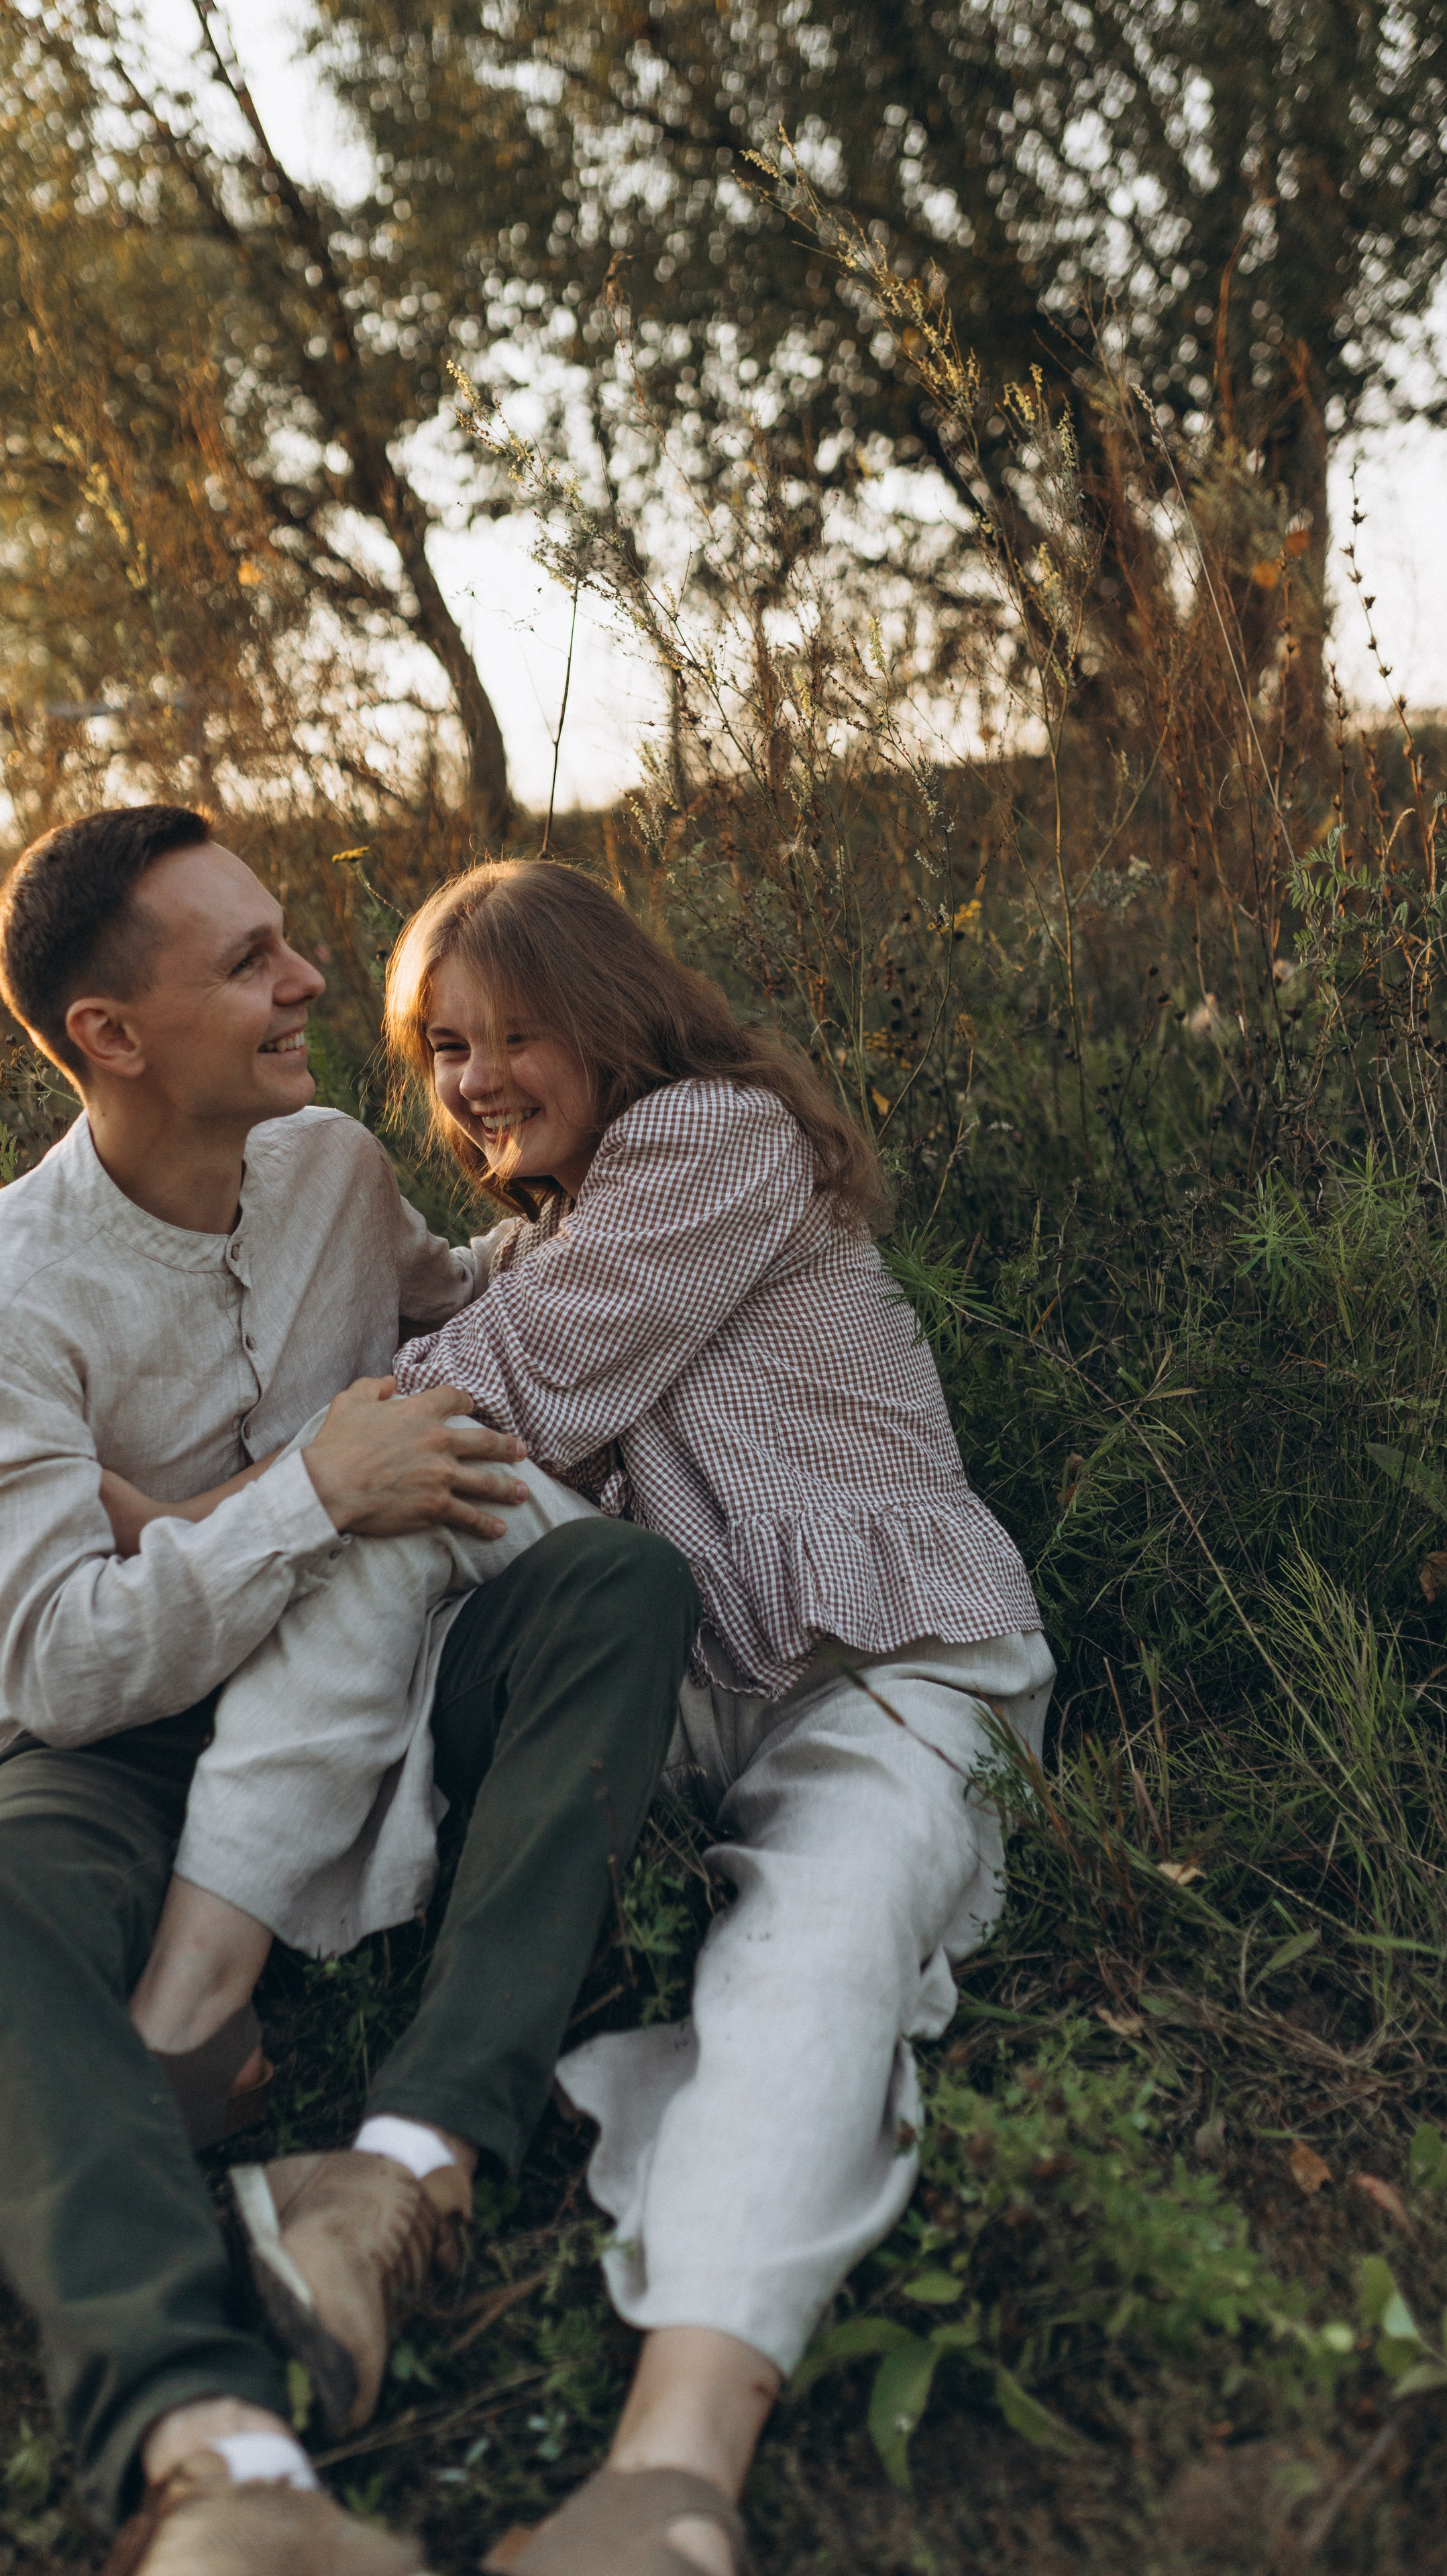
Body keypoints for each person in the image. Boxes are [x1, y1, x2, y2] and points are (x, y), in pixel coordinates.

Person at [0, 809, 698, 2576]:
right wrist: (307, 1496)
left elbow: (459, 1299)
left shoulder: (329, 1162)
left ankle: (411, 2159)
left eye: (286, 942)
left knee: (617, 1589)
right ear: (112, 1035)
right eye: (249, 960)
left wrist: (653, 1198)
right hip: (126, 1750)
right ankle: (214, 2451)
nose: (310, 980)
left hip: (388, 1685)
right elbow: (59, 1659)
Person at [372, 860, 1053, 2576]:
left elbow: (495, 1389)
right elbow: (448, 1334)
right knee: (384, 1542)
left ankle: (672, 2477)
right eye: (445, 1047)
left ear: (611, 1015)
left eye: (515, 1033)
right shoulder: (553, 1234)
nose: (474, 1080)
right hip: (699, 1685)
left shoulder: (715, 1142)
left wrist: (283, 1466)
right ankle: (212, 1939)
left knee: (815, 1955)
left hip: (888, 1662)